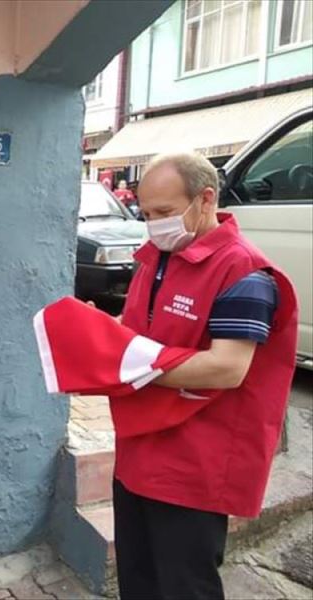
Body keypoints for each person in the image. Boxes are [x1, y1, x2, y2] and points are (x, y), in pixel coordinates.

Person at [113, 153, 298, 599]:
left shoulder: (243, 272)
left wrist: (131, 365)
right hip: (140, 448)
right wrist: (98, 333)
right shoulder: (156, 259)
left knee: (184, 585)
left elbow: (227, 367)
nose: (154, 225)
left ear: (205, 199)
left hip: (196, 461)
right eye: (146, 214)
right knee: (137, 577)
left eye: (164, 212)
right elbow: (139, 327)